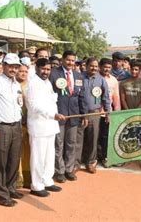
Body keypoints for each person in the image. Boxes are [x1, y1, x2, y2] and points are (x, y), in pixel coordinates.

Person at [0, 53, 23, 207]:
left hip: (16, 125)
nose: (13, 69)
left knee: (14, 159)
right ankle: (1, 194)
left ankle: (10, 187)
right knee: (0, 161)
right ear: (5, 66)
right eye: (11, 66)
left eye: (16, 67)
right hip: (1, 127)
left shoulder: (17, 84)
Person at [26, 58, 64, 197]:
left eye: (48, 69)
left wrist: (54, 116)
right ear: (36, 68)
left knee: (49, 156)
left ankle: (47, 181)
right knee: (38, 157)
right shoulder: (33, 84)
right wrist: (52, 115)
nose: (46, 72)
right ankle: (36, 185)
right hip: (39, 126)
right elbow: (34, 106)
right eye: (43, 69)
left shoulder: (47, 83)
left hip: (50, 126)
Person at [49, 50, 87, 183]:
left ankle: (69, 170)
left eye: (73, 60)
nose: (70, 63)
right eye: (68, 60)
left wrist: (84, 115)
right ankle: (59, 171)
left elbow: (81, 96)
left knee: (71, 143)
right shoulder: (54, 73)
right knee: (58, 144)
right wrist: (53, 113)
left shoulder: (78, 76)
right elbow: (49, 95)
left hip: (74, 114)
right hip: (59, 114)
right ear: (63, 60)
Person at [80, 58, 111, 174]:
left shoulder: (101, 80)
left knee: (93, 139)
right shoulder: (79, 77)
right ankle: (77, 162)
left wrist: (107, 112)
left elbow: (106, 97)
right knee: (79, 139)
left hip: (95, 113)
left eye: (96, 66)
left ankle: (91, 162)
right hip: (79, 113)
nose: (94, 68)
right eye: (91, 66)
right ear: (86, 66)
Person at [97, 58, 121, 167]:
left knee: (106, 136)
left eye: (109, 67)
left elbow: (116, 97)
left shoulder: (114, 80)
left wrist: (117, 112)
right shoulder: (95, 78)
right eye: (105, 67)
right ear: (100, 67)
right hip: (94, 113)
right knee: (94, 136)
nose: (106, 69)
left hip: (107, 113)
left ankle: (105, 157)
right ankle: (94, 157)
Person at [16, 59, 31, 189]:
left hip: (30, 124)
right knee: (18, 152)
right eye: (21, 71)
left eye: (26, 71)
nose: (23, 73)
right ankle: (18, 179)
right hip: (17, 124)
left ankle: (28, 178)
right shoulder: (13, 85)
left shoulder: (31, 86)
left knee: (29, 152)